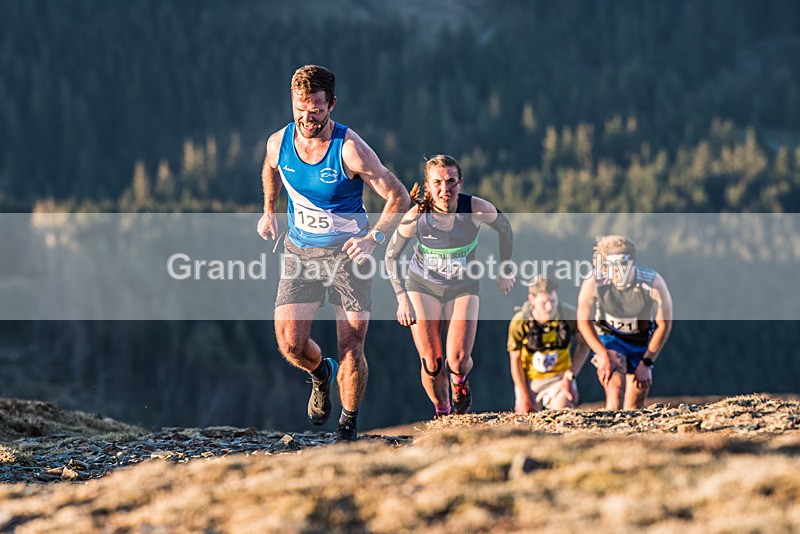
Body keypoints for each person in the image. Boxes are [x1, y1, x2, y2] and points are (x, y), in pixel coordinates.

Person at [257, 65, 409, 441]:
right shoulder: (279, 141)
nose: (307, 119)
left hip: (349, 257)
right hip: (301, 252)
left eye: (316, 110)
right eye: (300, 109)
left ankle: (348, 425)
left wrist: (373, 238)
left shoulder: (350, 149)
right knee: (290, 343)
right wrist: (268, 210)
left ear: (332, 105)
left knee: (352, 345)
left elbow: (399, 196)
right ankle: (320, 373)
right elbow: (271, 168)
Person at [385, 154, 515, 418]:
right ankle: (442, 411)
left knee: (456, 362)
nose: (445, 189)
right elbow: (390, 256)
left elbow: (505, 229)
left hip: (463, 287)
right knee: (432, 363)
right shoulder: (417, 216)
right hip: (422, 286)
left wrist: (505, 267)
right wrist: (401, 298)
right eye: (437, 183)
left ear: (460, 182)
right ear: (428, 184)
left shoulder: (476, 209)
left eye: (451, 181)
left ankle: (460, 383)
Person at [577, 235, 673, 410]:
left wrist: (647, 363)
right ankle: (608, 433)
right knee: (615, 390)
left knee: (635, 404)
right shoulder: (594, 281)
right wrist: (602, 353)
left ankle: (629, 436)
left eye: (623, 267)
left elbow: (664, 324)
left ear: (633, 264)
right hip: (610, 338)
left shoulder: (653, 283)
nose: (618, 274)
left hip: (640, 342)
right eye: (611, 268)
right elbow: (583, 321)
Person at [507, 277, 590, 413]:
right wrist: (523, 395)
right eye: (544, 302)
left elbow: (585, 344)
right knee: (525, 418)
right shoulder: (520, 322)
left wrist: (570, 376)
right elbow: (515, 359)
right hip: (530, 382)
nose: (550, 307)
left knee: (564, 412)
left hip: (559, 379)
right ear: (531, 299)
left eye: (552, 301)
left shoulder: (568, 315)